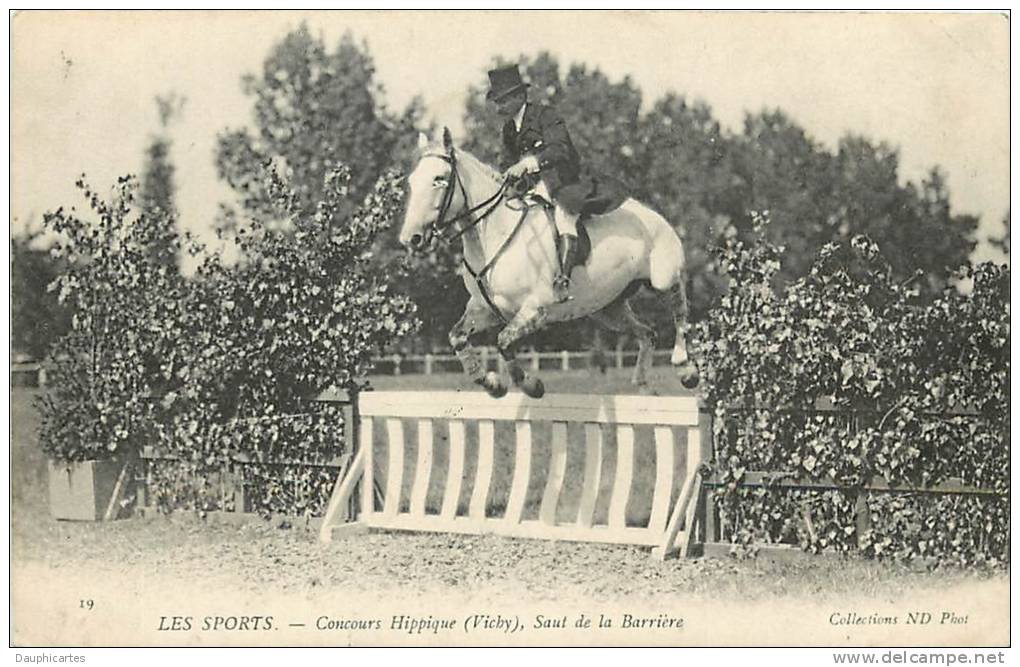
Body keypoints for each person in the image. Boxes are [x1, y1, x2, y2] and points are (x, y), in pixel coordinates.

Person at [488, 64, 625, 302]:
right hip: (531, 188)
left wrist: (528, 163)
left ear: (520, 96)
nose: (499, 107)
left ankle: (563, 278)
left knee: (563, 217)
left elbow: (559, 149)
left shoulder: (546, 116)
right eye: (497, 102)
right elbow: (506, 161)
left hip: (562, 182)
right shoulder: (509, 129)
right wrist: (501, 175)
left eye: (503, 100)